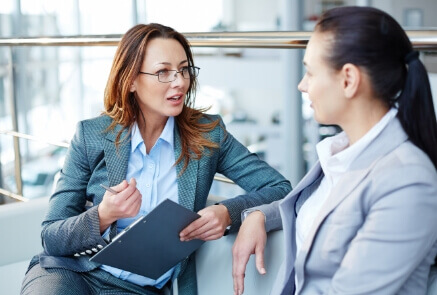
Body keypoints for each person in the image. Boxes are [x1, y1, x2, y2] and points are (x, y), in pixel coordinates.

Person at [21, 23, 291, 295]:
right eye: (163, 71)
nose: (180, 82)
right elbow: (51, 237)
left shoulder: (209, 135)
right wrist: (104, 215)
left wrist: (228, 213)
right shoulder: (91, 136)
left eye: (184, 69)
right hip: (72, 273)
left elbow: (280, 188)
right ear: (131, 81)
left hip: (138, 289)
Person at [232, 6, 437, 295]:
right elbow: (322, 210)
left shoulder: (407, 179)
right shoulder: (342, 153)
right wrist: (260, 216)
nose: (302, 85)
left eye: (310, 72)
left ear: (348, 80)